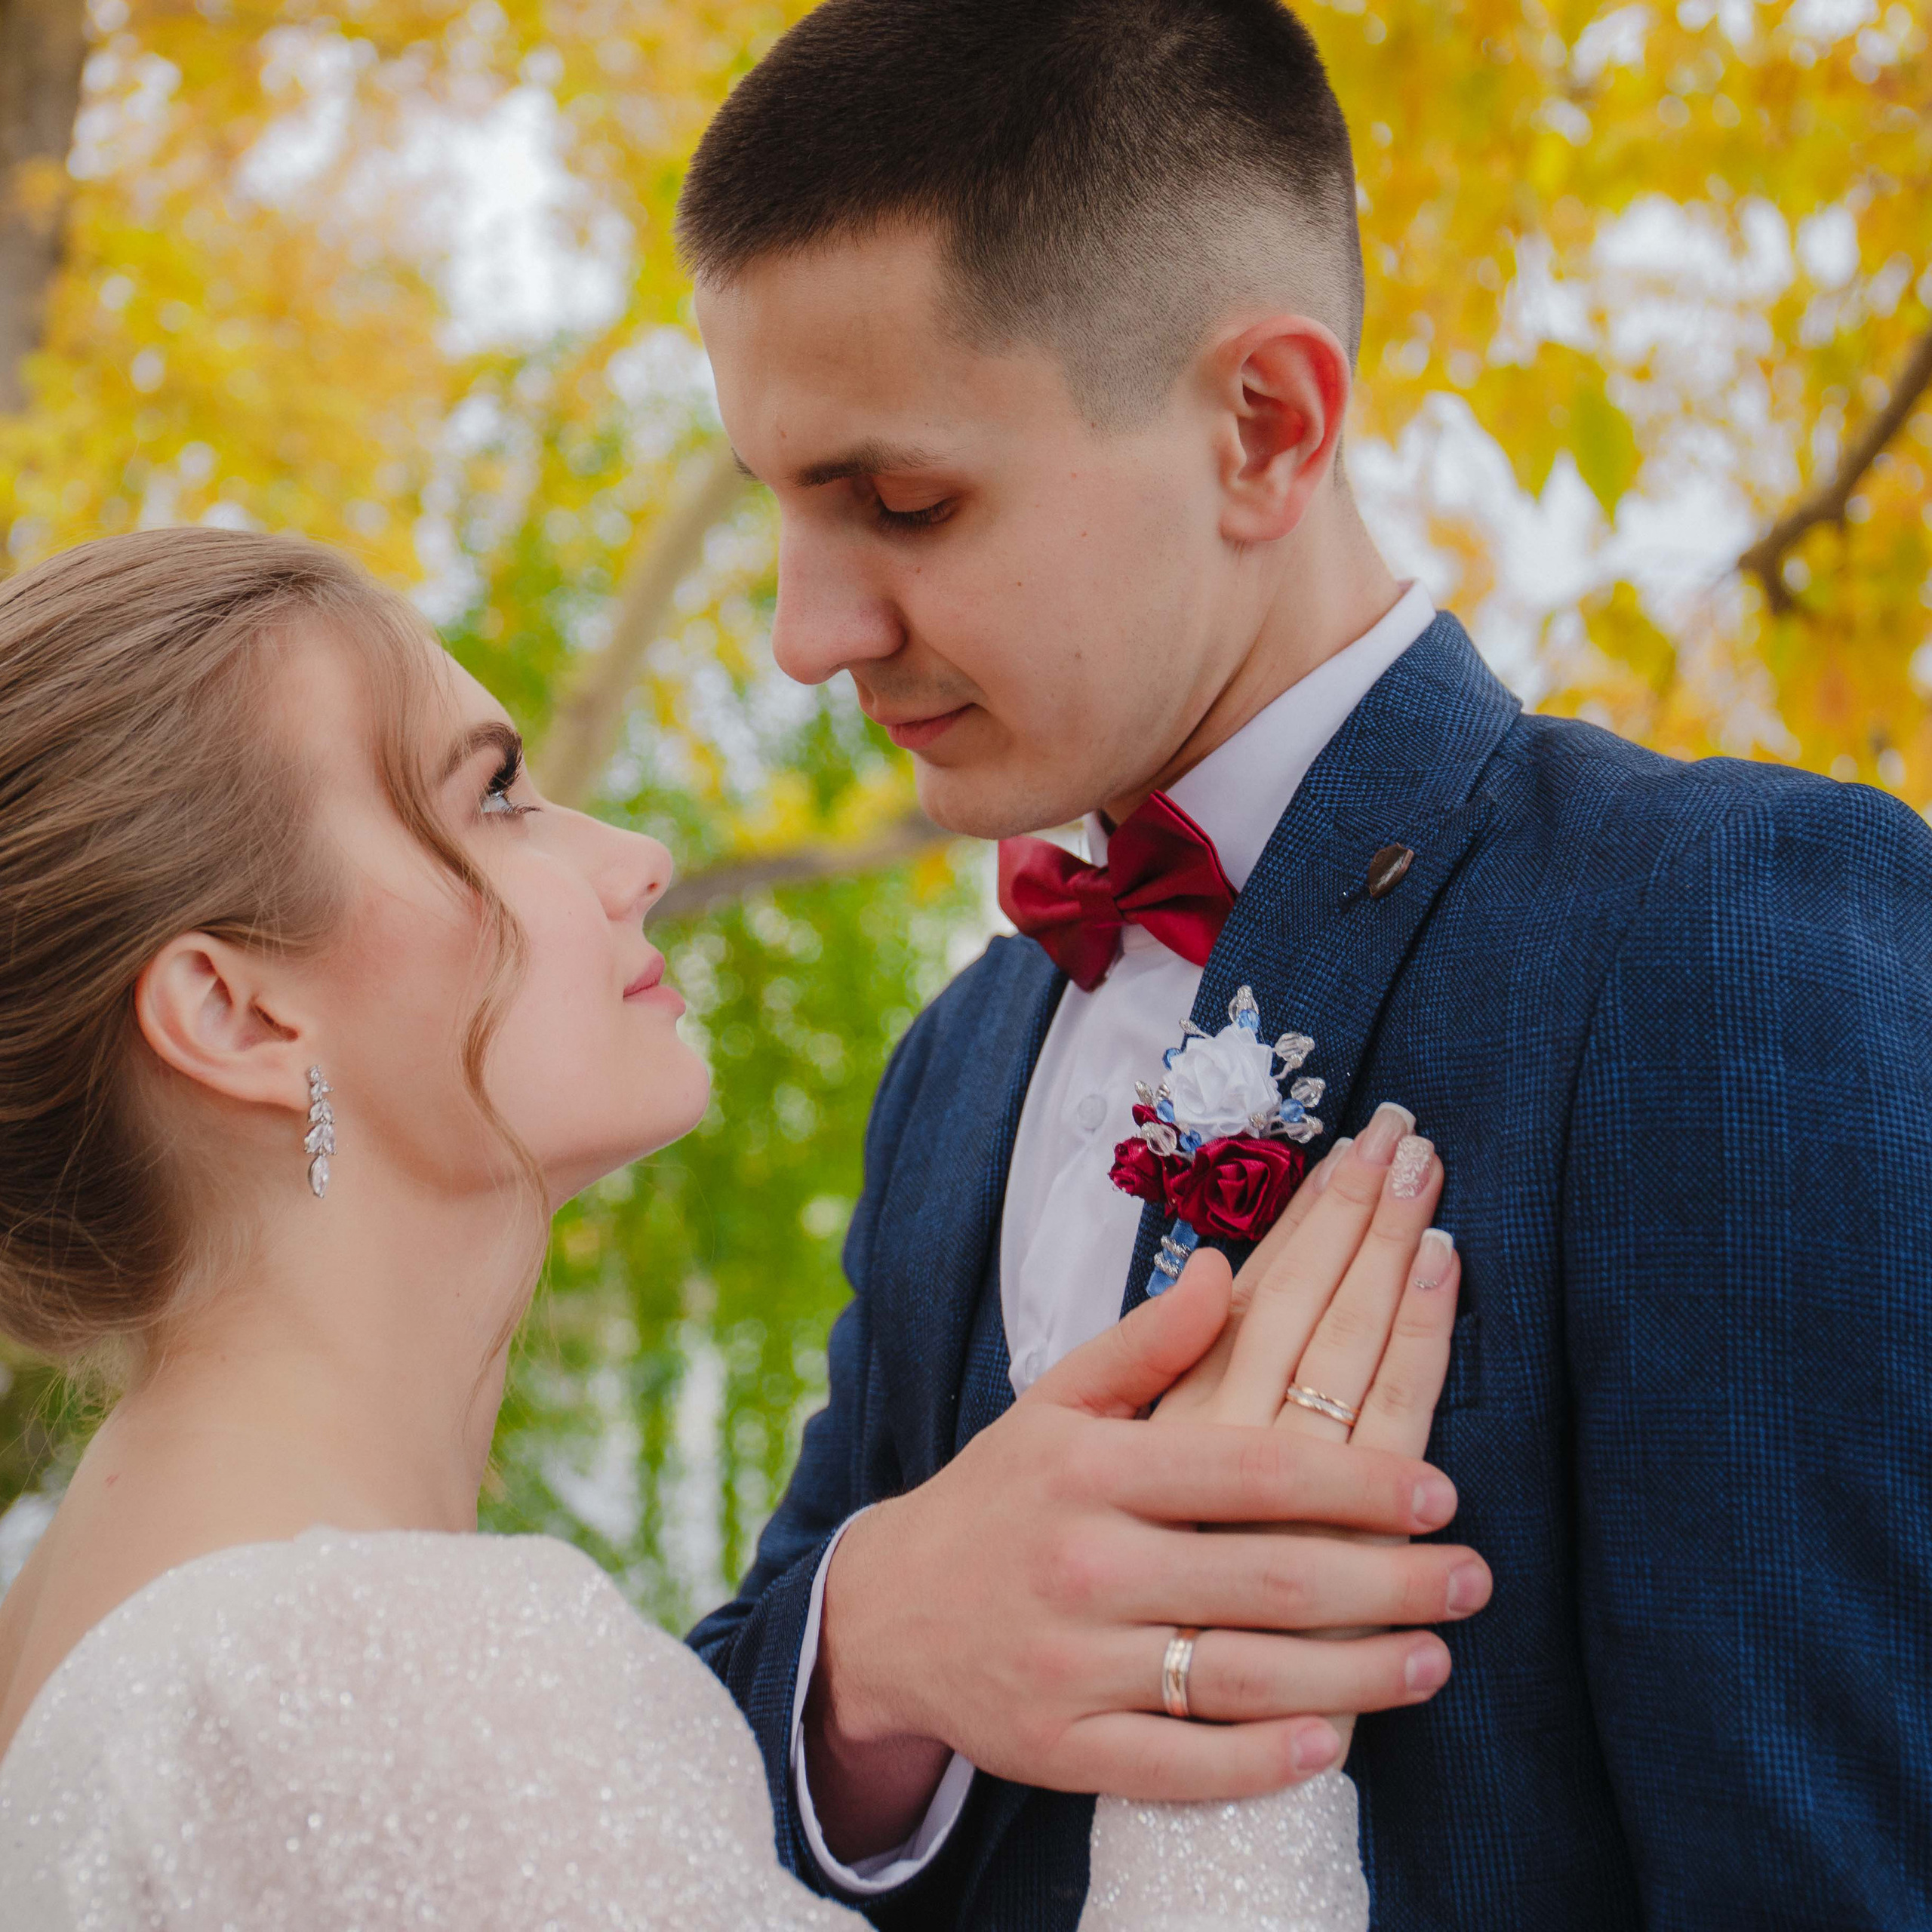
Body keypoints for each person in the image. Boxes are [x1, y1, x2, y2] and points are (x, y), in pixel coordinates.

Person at [678, 1, 1932, 1926]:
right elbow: (731, 1765)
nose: (805, 629)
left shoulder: (1721, 924)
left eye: (902, 502)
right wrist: (878, 1639)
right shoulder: (952, 1062)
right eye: (776, 504)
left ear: (1264, 426)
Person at [0, 525, 1466, 1929]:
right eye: (492, 796)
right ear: (235, 1014)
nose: (634, 857)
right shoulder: (373, 1682)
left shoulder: (82, 1627)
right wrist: (1225, 1761)